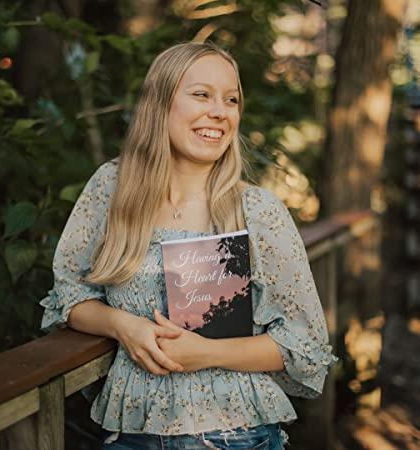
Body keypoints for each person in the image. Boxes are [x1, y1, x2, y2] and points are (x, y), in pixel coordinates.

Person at [40, 41, 337, 450]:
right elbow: (69, 295)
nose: (220, 111)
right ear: (160, 104)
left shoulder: (256, 210)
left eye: (231, 99)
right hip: (131, 437)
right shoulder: (112, 189)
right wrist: (123, 326)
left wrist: (208, 353)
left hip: (237, 436)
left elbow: (304, 344)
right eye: (201, 94)